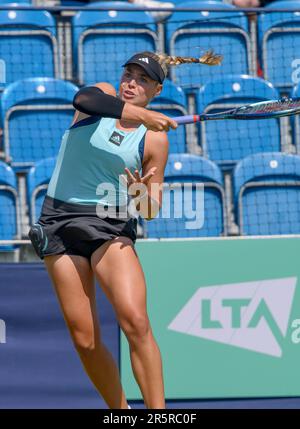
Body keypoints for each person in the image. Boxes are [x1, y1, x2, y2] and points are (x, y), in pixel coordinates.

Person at [28, 50, 221, 409]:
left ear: (157, 89)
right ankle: (120, 413)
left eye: (142, 79)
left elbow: (151, 208)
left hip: (111, 224)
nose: (131, 82)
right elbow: (82, 97)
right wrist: (142, 114)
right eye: (129, 75)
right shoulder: (97, 100)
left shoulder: (155, 139)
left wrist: (137, 191)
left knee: (135, 321)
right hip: (59, 222)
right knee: (84, 339)